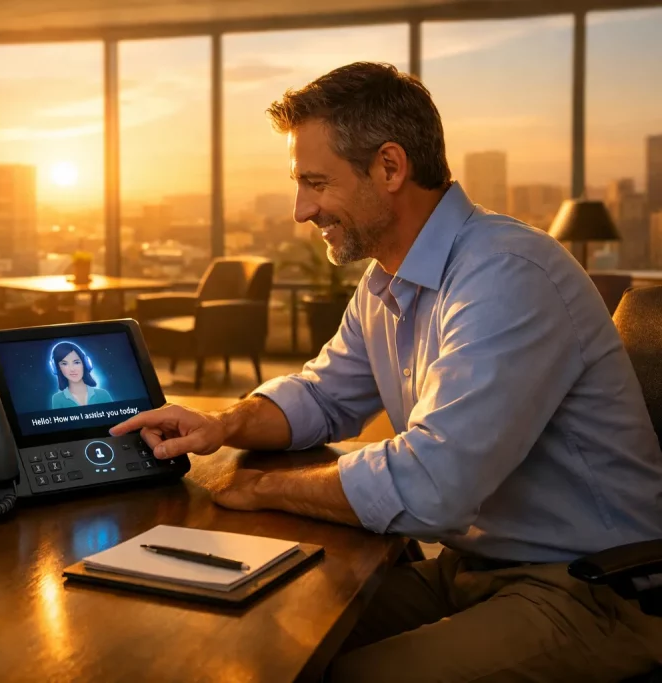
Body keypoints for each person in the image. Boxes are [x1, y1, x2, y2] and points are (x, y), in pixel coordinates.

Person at [111, 62, 662, 681]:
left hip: (596, 590)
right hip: (473, 568)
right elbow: (322, 395)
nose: (301, 210)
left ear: (390, 168)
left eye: (316, 182)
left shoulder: (507, 273)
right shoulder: (387, 284)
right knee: (260, 634)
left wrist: (264, 489)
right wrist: (222, 423)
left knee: (339, 674)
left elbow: (431, 483)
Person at [50, 342, 112, 409]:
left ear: (85, 363)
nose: (72, 369)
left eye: (76, 362)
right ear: (57, 368)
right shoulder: (57, 399)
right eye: (64, 364)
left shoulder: (103, 394)